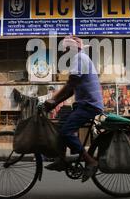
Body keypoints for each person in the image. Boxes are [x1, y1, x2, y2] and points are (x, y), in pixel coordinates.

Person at [43, 35, 104, 182]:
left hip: (89, 105)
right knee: (62, 123)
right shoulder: (80, 58)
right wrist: (55, 102)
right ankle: (61, 159)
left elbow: (71, 84)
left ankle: (90, 161)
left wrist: (53, 100)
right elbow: (71, 89)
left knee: (66, 132)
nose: (65, 52)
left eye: (67, 49)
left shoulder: (79, 59)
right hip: (84, 104)